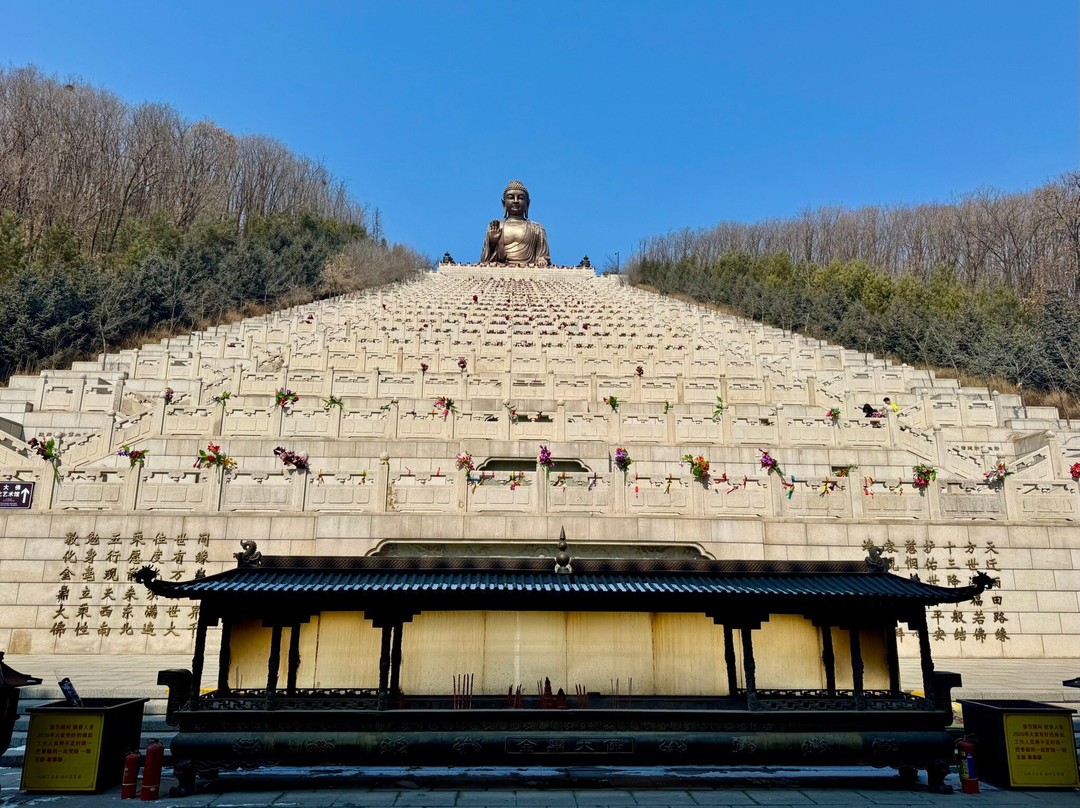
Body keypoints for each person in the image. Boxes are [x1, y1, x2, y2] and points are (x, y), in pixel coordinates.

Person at [480, 180, 551, 266]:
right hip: (502, 269)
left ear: (527, 204)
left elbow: (543, 255)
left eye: (520, 198)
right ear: (504, 203)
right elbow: (485, 261)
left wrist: (541, 259)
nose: (516, 201)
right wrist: (492, 243)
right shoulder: (496, 227)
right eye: (511, 197)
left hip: (529, 269)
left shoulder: (537, 229)